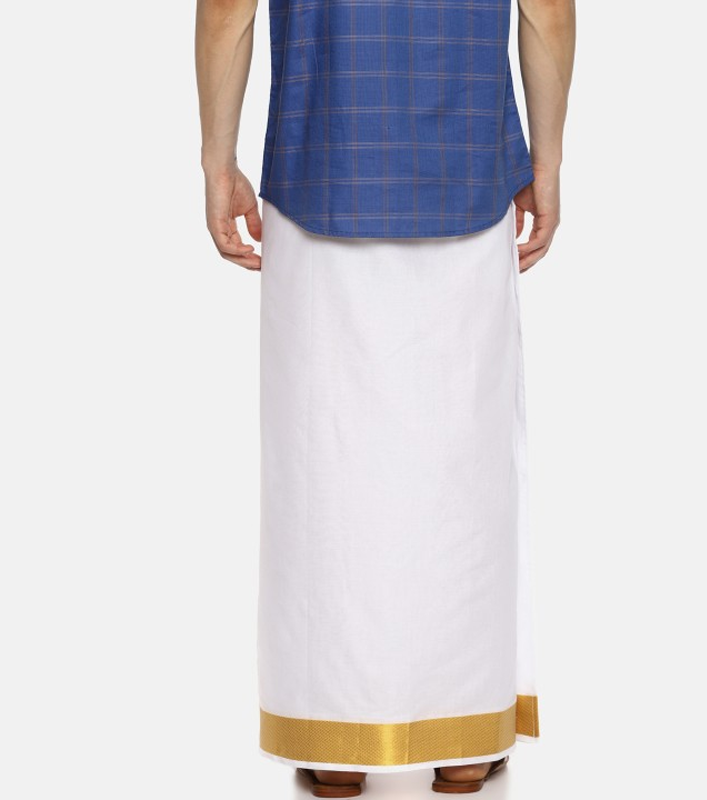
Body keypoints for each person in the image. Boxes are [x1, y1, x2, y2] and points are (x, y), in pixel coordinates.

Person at [195, 0, 575, 795]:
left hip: (319, 169)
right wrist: (548, 161)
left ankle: (332, 739)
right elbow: (546, 11)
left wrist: (216, 160)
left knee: (326, 466)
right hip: (468, 170)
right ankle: (465, 735)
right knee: (461, 469)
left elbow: (228, 10)